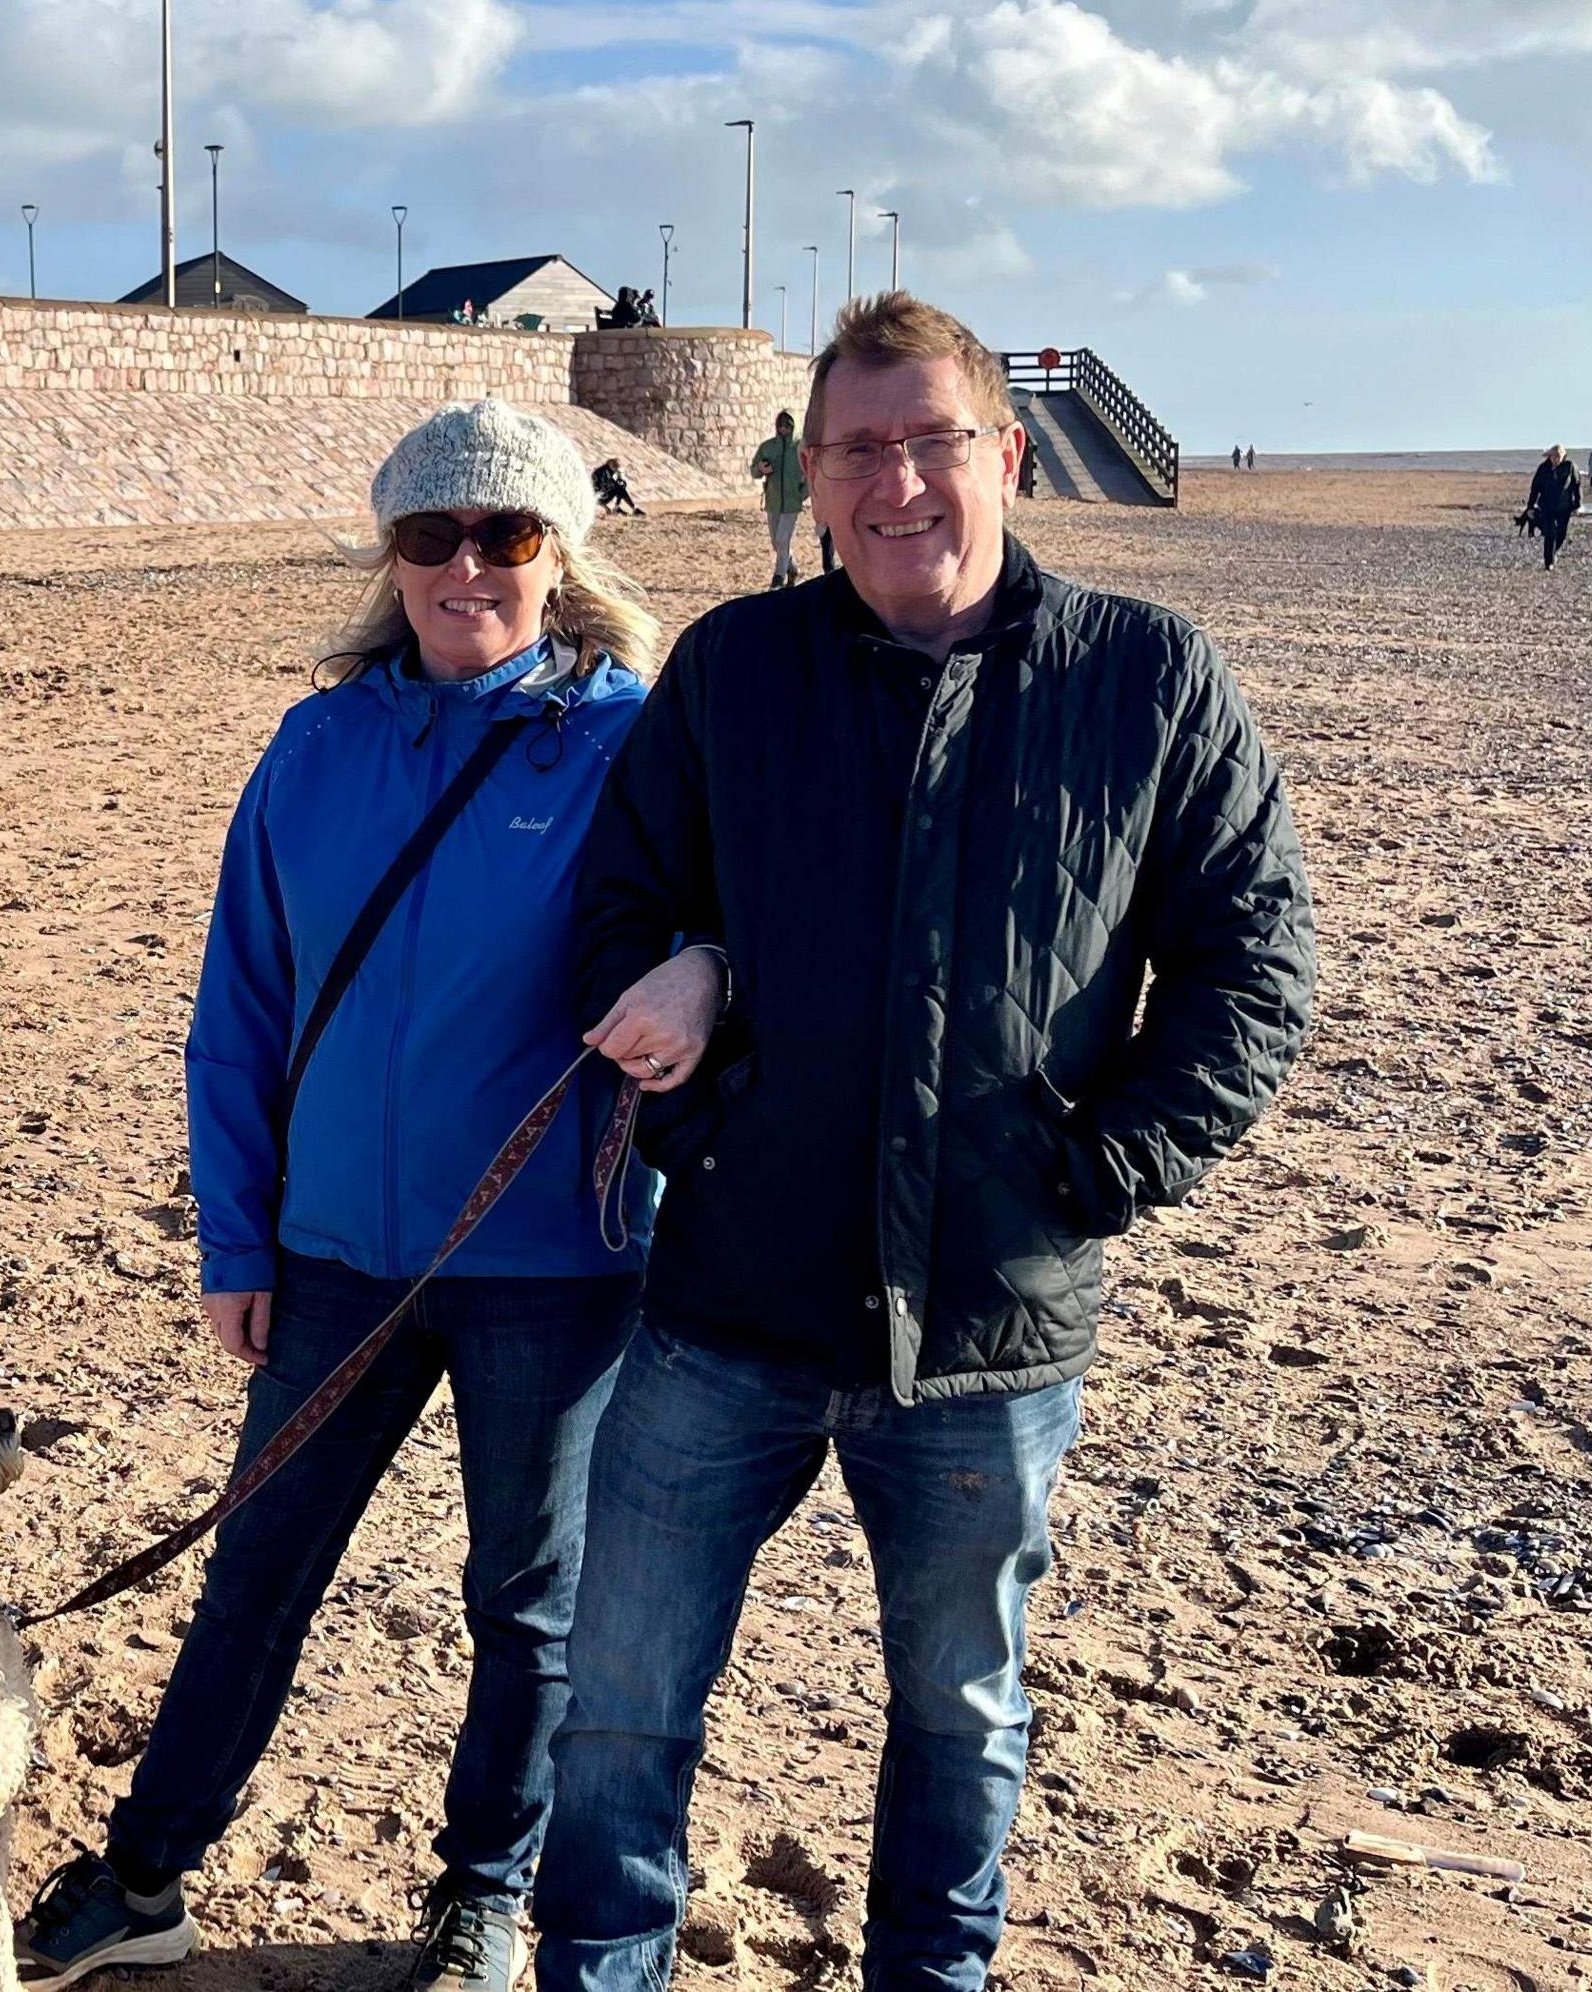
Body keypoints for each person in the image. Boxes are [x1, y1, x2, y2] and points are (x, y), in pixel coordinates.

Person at [533, 293, 1318, 1992]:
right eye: (856, 450)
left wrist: (1100, 1168)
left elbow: (1256, 963)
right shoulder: (738, 670)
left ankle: (932, 1974)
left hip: (988, 1328)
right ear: (809, 478)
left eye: (930, 440)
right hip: (725, 1298)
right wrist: (701, 1066)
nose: (896, 483)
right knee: (623, 1702)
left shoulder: (1147, 679)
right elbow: (612, 916)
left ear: (1005, 454)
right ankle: (599, 1961)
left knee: (960, 1711)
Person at [18, 400, 666, 1992]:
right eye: (429, 535)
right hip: (329, 1261)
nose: (467, 569)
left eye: (505, 535)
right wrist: (237, 1237)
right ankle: (149, 1874)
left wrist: (708, 968)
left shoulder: (634, 743)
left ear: (559, 552)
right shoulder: (316, 746)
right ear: (390, 554)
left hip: (549, 1264)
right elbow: (237, 1006)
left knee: (528, 1605)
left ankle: (484, 1895)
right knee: (258, 1571)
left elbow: (725, 943)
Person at [748, 409, 807, 589]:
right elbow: (754, 471)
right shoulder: (768, 447)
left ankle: (778, 578)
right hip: (773, 501)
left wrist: (801, 495)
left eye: (787, 426)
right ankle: (792, 568)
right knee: (776, 542)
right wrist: (760, 469)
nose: (783, 430)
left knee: (783, 540)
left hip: (791, 503)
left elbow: (811, 475)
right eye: (780, 426)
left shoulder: (801, 448)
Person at [1527, 444, 1584, 568]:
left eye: (1559, 456)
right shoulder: (1543, 468)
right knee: (1551, 533)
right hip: (1547, 507)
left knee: (1561, 535)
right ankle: (1549, 563)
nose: (1556, 459)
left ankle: (1552, 553)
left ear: (1563, 456)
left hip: (1565, 507)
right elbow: (1535, 488)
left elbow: (1577, 485)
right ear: (1550, 456)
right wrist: (1530, 507)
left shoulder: (1570, 467)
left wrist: (1578, 504)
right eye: (1554, 456)